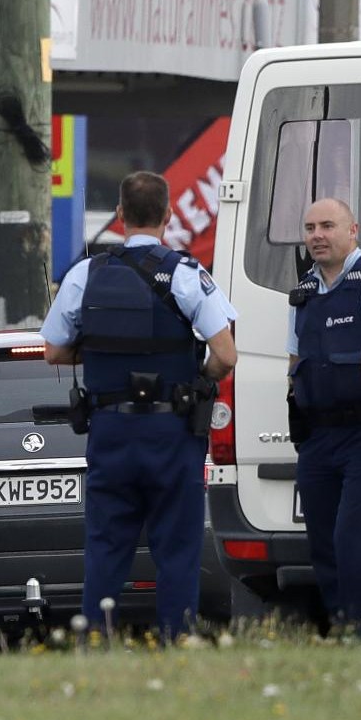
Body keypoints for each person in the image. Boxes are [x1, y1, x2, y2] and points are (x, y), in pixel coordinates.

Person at [43, 172, 238, 639]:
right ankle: (177, 638)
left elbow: (53, 350)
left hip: (110, 430)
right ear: (169, 215)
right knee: (178, 545)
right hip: (172, 432)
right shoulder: (188, 274)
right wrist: (199, 379)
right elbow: (226, 354)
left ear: (121, 214)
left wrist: (109, 354)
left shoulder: (84, 274)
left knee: (107, 545)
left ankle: (96, 637)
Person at [287, 200, 361, 630]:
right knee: (323, 546)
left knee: (355, 541)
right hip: (318, 439)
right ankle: (343, 630)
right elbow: (295, 362)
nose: (317, 235)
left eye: (327, 226)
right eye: (310, 227)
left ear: (353, 229)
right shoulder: (304, 292)